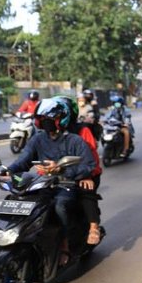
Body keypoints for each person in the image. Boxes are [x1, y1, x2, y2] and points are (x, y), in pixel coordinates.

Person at [0, 97, 96, 263]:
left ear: (61, 119)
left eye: (50, 119)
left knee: (60, 206)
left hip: (65, 184)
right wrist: (2, 174)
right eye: (43, 119)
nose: (46, 123)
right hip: (41, 184)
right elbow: (22, 161)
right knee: (20, 201)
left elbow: (89, 165)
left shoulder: (74, 140)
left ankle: (65, 245)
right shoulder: (38, 139)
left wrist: (61, 169)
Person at [56, 95, 103, 245]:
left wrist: (86, 174)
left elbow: (91, 155)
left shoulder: (82, 131)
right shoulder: (51, 133)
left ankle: (93, 227)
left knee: (85, 192)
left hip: (87, 172)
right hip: (61, 174)